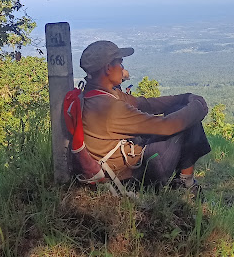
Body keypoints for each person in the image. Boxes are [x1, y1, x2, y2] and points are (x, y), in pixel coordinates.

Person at [79, 40, 211, 191]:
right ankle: (186, 184)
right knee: (186, 119)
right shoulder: (109, 107)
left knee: (180, 108)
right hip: (133, 178)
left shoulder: (95, 95)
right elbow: (166, 126)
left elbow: (144, 104)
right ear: (108, 68)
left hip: (121, 168)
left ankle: (184, 181)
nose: (122, 68)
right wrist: (198, 107)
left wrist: (183, 98)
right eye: (120, 63)